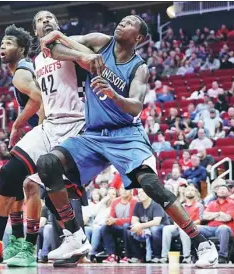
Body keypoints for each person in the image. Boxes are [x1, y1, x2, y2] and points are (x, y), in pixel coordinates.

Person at [36, 14, 218, 267]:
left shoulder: (138, 67)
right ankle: (75, 236)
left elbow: (135, 107)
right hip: (94, 134)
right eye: (122, 20)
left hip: (126, 134)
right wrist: (82, 56)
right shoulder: (100, 42)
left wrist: (113, 95)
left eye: (130, 22)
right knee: (47, 163)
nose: (123, 23)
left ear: (139, 37)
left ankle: (202, 243)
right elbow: (53, 47)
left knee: (152, 185)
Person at [0, 15, 95, 267]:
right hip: (51, 126)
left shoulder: (67, 49)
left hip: (77, 125)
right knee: (11, 174)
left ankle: (41, 243)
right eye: (40, 19)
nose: (45, 21)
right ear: (34, 30)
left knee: (44, 187)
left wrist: (17, 125)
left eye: (50, 18)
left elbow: (41, 98)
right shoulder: (36, 60)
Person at [124, 189, 170, 263]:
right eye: (139, 193)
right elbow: (134, 220)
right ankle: (137, 256)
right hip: (145, 227)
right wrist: (137, 226)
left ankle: (156, 256)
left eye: (143, 192)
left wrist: (140, 226)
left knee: (154, 229)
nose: (141, 194)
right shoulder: (138, 204)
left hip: (161, 227)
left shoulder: (156, 204)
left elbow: (156, 222)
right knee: (130, 229)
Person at [160, 184, 204, 264]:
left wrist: (187, 225)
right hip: (180, 226)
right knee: (166, 229)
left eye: (192, 190)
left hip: (192, 227)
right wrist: (178, 224)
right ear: (184, 193)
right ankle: (164, 256)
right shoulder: (180, 205)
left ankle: (187, 257)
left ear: (196, 193)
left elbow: (199, 220)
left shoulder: (199, 205)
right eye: (188, 190)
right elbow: (175, 218)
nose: (190, 192)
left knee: (184, 230)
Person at [197, 185, 234, 264]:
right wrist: (219, 214)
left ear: (228, 192)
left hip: (226, 229)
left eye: (224, 189)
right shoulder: (211, 203)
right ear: (216, 192)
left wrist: (212, 216)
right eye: (220, 189)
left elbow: (227, 218)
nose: (222, 190)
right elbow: (204, 216)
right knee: (195, 228)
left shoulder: (232, 203)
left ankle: (222, 256)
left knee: (222, 228)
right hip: (210, 228)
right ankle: (200, 254)